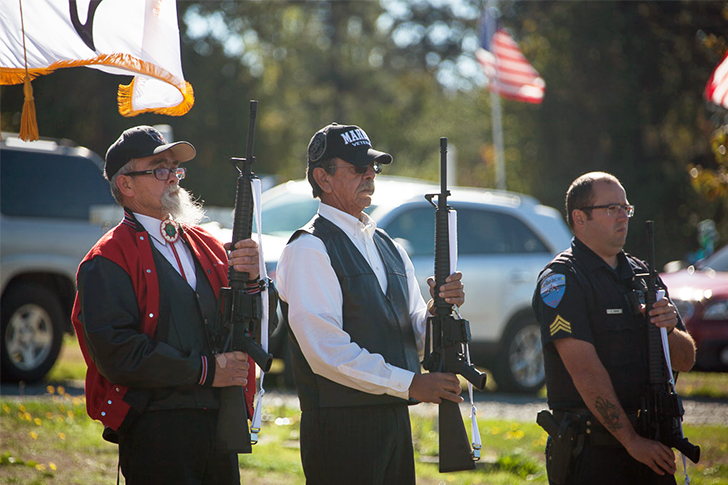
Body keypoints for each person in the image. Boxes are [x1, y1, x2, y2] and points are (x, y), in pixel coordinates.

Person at [72, 125, 266, 485]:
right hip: (156, 430)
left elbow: (244, 326)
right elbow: (118, 355)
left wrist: (252, 282)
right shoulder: (106, 258)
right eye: (160, 169)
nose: (173, 178)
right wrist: (206, 371)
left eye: (175, 169)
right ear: (126, 185)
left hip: (219, 423)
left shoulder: (207, 243)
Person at [275, 123, 466, 485]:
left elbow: (411, 331)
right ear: (323, 178)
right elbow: (326, 351)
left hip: (392, 417)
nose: (369, 175)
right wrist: (409, 383)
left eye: (373, 167)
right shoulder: (309, 247)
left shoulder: (387, 244)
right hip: (340, 426)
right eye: (357, 167)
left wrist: (437, 309)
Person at [532, 171, 697, 485]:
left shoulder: (642, 275)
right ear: (580, 218)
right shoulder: (563, 280)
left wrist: (669, 329)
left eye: (626, 208)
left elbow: (686, 360)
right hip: (595, 452)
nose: (623, 217)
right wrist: (632, 442)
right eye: (611, 209)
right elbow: (585, 371)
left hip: (654, 443)